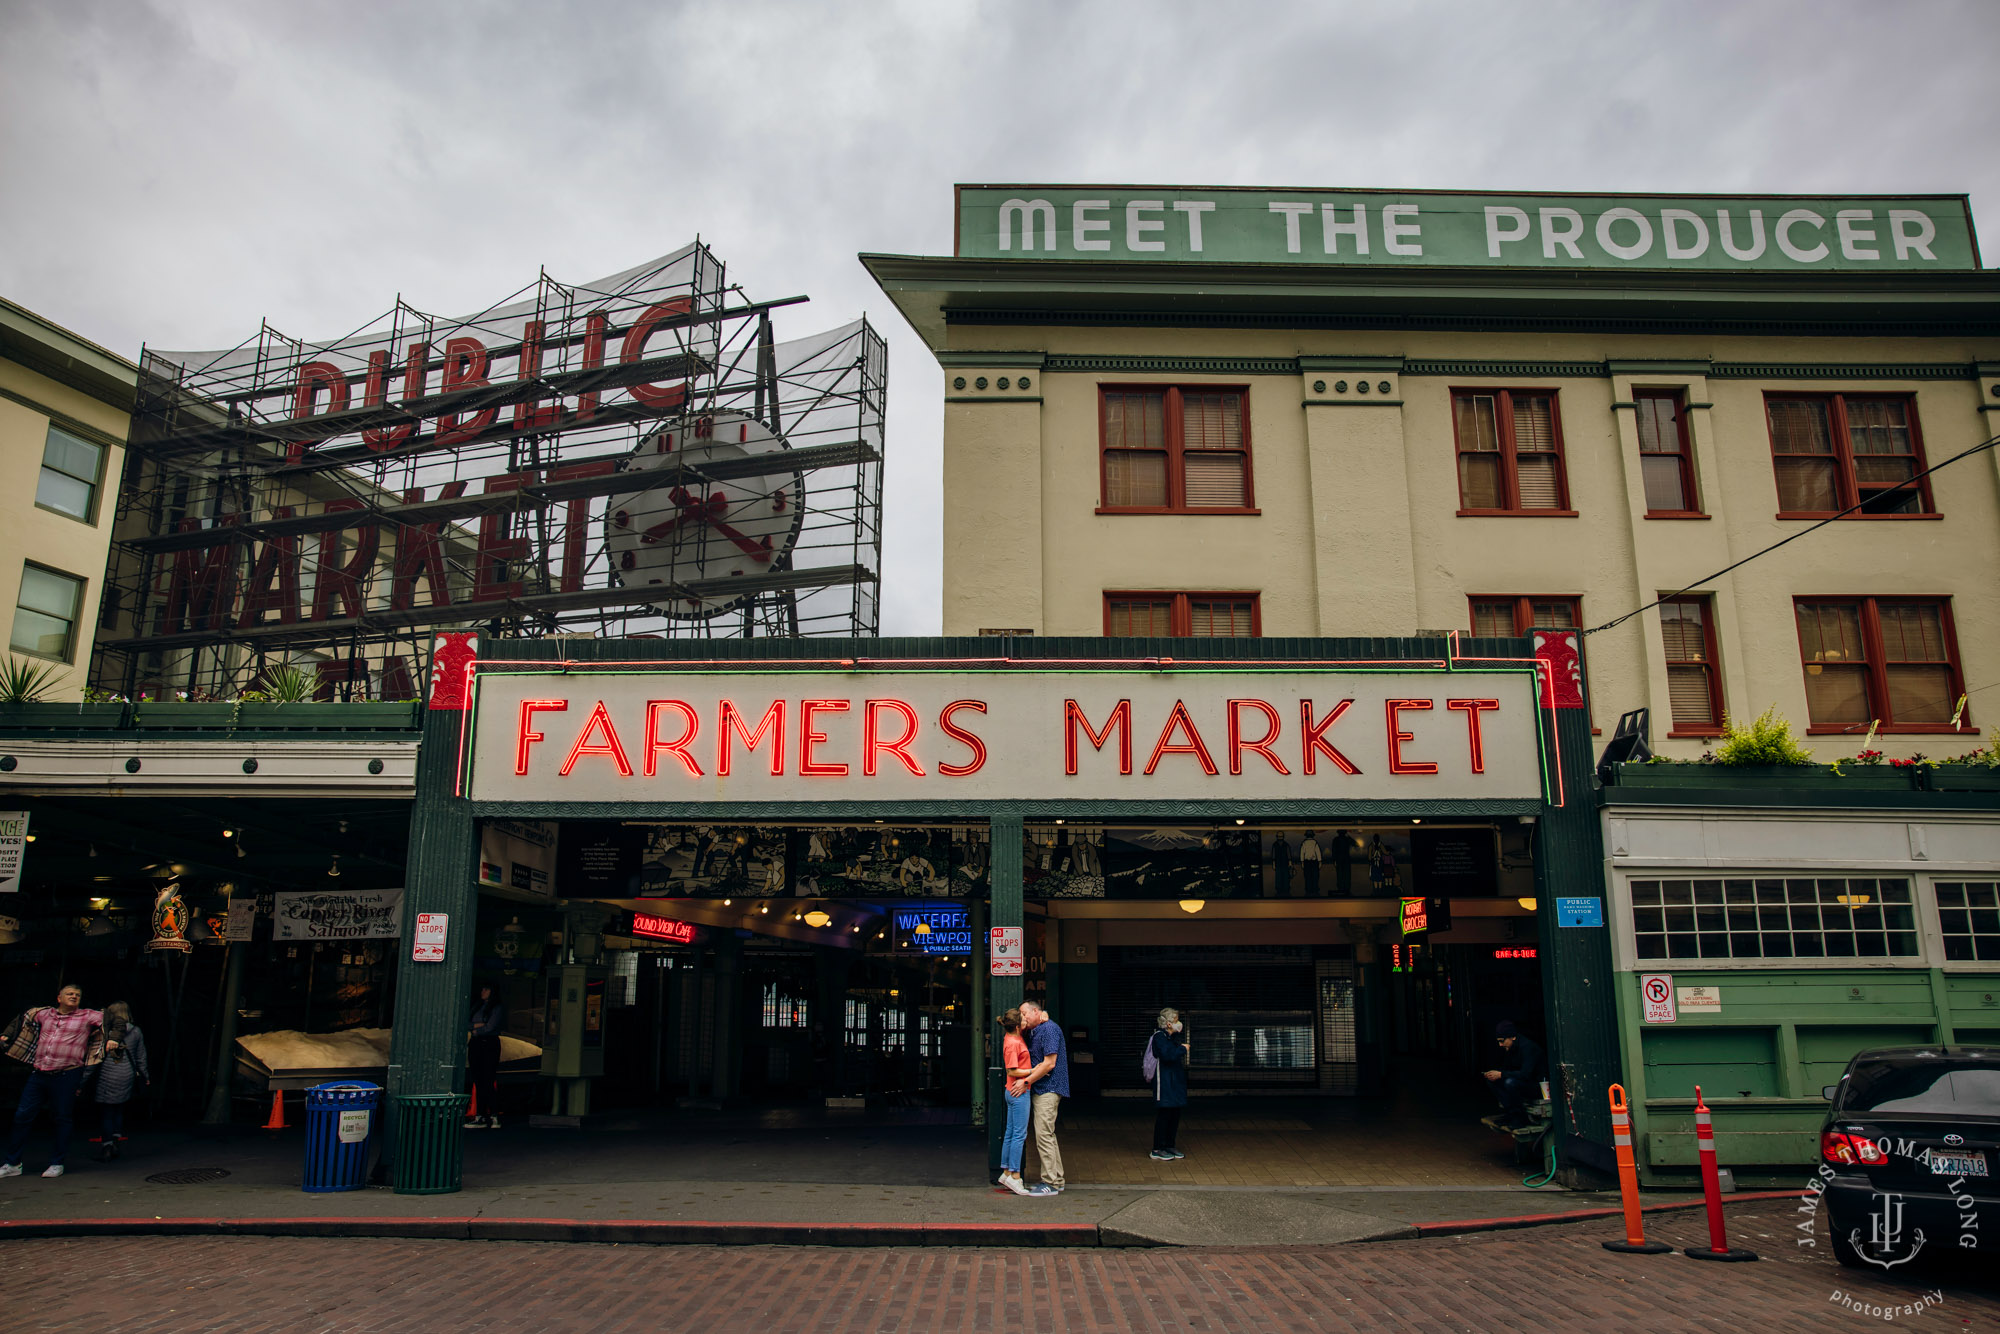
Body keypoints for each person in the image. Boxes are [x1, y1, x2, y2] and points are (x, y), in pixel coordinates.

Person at [2, 984, 107, 1178]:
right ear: (59, 998)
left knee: (61, 1118)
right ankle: (12, 1163)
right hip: (40, 1072)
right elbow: (22, 1019)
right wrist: (7, 1034)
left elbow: (114, 1020)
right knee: (21, 1116)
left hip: (67, 1073)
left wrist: (113, 1038)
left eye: (77, 994)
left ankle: (57, 1163)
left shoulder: (87, 1016)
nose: (74, 996)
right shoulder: (44, 1014)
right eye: (69, 994)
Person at [1019, 1000, 1070, 1196]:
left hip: (1048, 1088)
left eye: (1025, 1014)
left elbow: (1049, 1063)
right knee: (1048, 1135)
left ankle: (1050, 1183)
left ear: (1036, 1011)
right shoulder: (1036, 1029)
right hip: (1043, 1087)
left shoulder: (1049, 1029)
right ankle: (1057, 1179)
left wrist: (1025, 1082)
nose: (1023, 1018)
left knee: (1043, 1136)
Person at [90, 1002, 149, 1161]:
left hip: (107, 1073)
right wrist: (145, 1076)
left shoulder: (105, 1031)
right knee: (119, 1110)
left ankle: (107, 1145)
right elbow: (140, 1056)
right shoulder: (136, 1031)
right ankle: (116, 1140)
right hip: (127, 1073)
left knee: (106, 1112)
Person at [996, 1008, 1034, 1196]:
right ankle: (1015, 1176)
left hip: (1011, 1091)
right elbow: (1011, 1070)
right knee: (1019, 1135)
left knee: (1011, 1133)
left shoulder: (1013, 1038)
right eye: (1023, 1020)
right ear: (1018, 1026)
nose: (1027, 1020)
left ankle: (1006, 1172)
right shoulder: (1013, 1043)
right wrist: (1032, 1071)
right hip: (1019, 1092)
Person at [1483, 1020, 1546, 1128]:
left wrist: (1501, 1074)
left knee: (1510, 1083)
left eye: (1502, 1041)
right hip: (1521, 1084)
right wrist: (1495, 1074)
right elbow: (1507, 1069)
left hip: (1537, 1087)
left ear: (1512, 1037)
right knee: (1493, 1081)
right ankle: (1511, 1114)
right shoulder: (1511, 1048)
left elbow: (1525, 1075)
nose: (1500, 1044)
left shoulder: (1528, 1047)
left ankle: (1519, 1118)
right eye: (1499, 1041)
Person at [1148, 1008, 1188, 1161]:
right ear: (1169, 1023)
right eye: (1176, 1020)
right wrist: (1182, 1049)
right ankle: (1157, 1148)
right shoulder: (1159, 1037)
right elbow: (1167, 1055)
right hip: (1164, 1081)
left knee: (1174, 1113)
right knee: (1164, 1113)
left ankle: (1169, 1144)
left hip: (1174, 1081)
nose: (1179, 1023)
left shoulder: (1172, 1037)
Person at [465, 984, 506, 1130]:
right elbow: (467, 1024)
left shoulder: (497, 1008)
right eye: (482, 989)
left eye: (486, 989)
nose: (483, 991)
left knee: (488, 1078)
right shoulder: (477, 1006)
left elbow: (491, 1027)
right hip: (476, 1043)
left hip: (489, 1043)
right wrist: (479, 1025)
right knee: (478, 1079)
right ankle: (481, 1115)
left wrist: (476, 1028)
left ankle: (493, 1114)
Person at [1299, 831, 1322, 896]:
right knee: (1315, 877)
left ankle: (1308, 890)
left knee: (1307, 877)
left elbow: (1302, 853)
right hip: (1314, 862)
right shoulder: (1315, 842)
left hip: (1307, 863)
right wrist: (1320, 862)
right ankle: (1315, 889)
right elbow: (1318, 853)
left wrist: (1302, 862)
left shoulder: (1304, 843)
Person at [1269, 833, 1291, 898]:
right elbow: (1273, 855)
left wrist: (1290, 862)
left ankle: (1284, 888)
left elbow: (1288, 854)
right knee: (1280, 877)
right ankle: (1280, 889)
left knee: (1284, 877)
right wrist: (1273, 863)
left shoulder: (1283, 844)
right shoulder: (1276, 845)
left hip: (1283, 863)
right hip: (1279, 864)